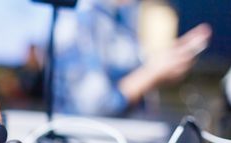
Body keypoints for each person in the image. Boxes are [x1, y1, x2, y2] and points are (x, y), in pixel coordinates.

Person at [53, 0, 212, 117]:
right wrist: (152, 73)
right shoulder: (82, 17)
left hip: (128, 140)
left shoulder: (123, 13)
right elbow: (93, 107)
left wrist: (169, 63)